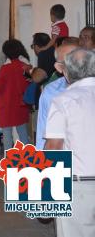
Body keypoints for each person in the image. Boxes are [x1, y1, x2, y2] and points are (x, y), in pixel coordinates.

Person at [45, 48, 95, 237]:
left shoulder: (63, 101)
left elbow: (54, 149)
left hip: (78, 188)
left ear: (66, 72)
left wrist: (45, 194)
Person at [35, 39, 79, 149]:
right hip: (64, 159)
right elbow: (43, 131)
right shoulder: (51, 92)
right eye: (68, 61)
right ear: (59, 67)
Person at [0, 39, 31, 150]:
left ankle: (8, 163)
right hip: (21, 104)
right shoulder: (25, 66)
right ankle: (29, 160)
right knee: (23, 134)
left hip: (7, 106)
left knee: (7, 135)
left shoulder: (5, 68)